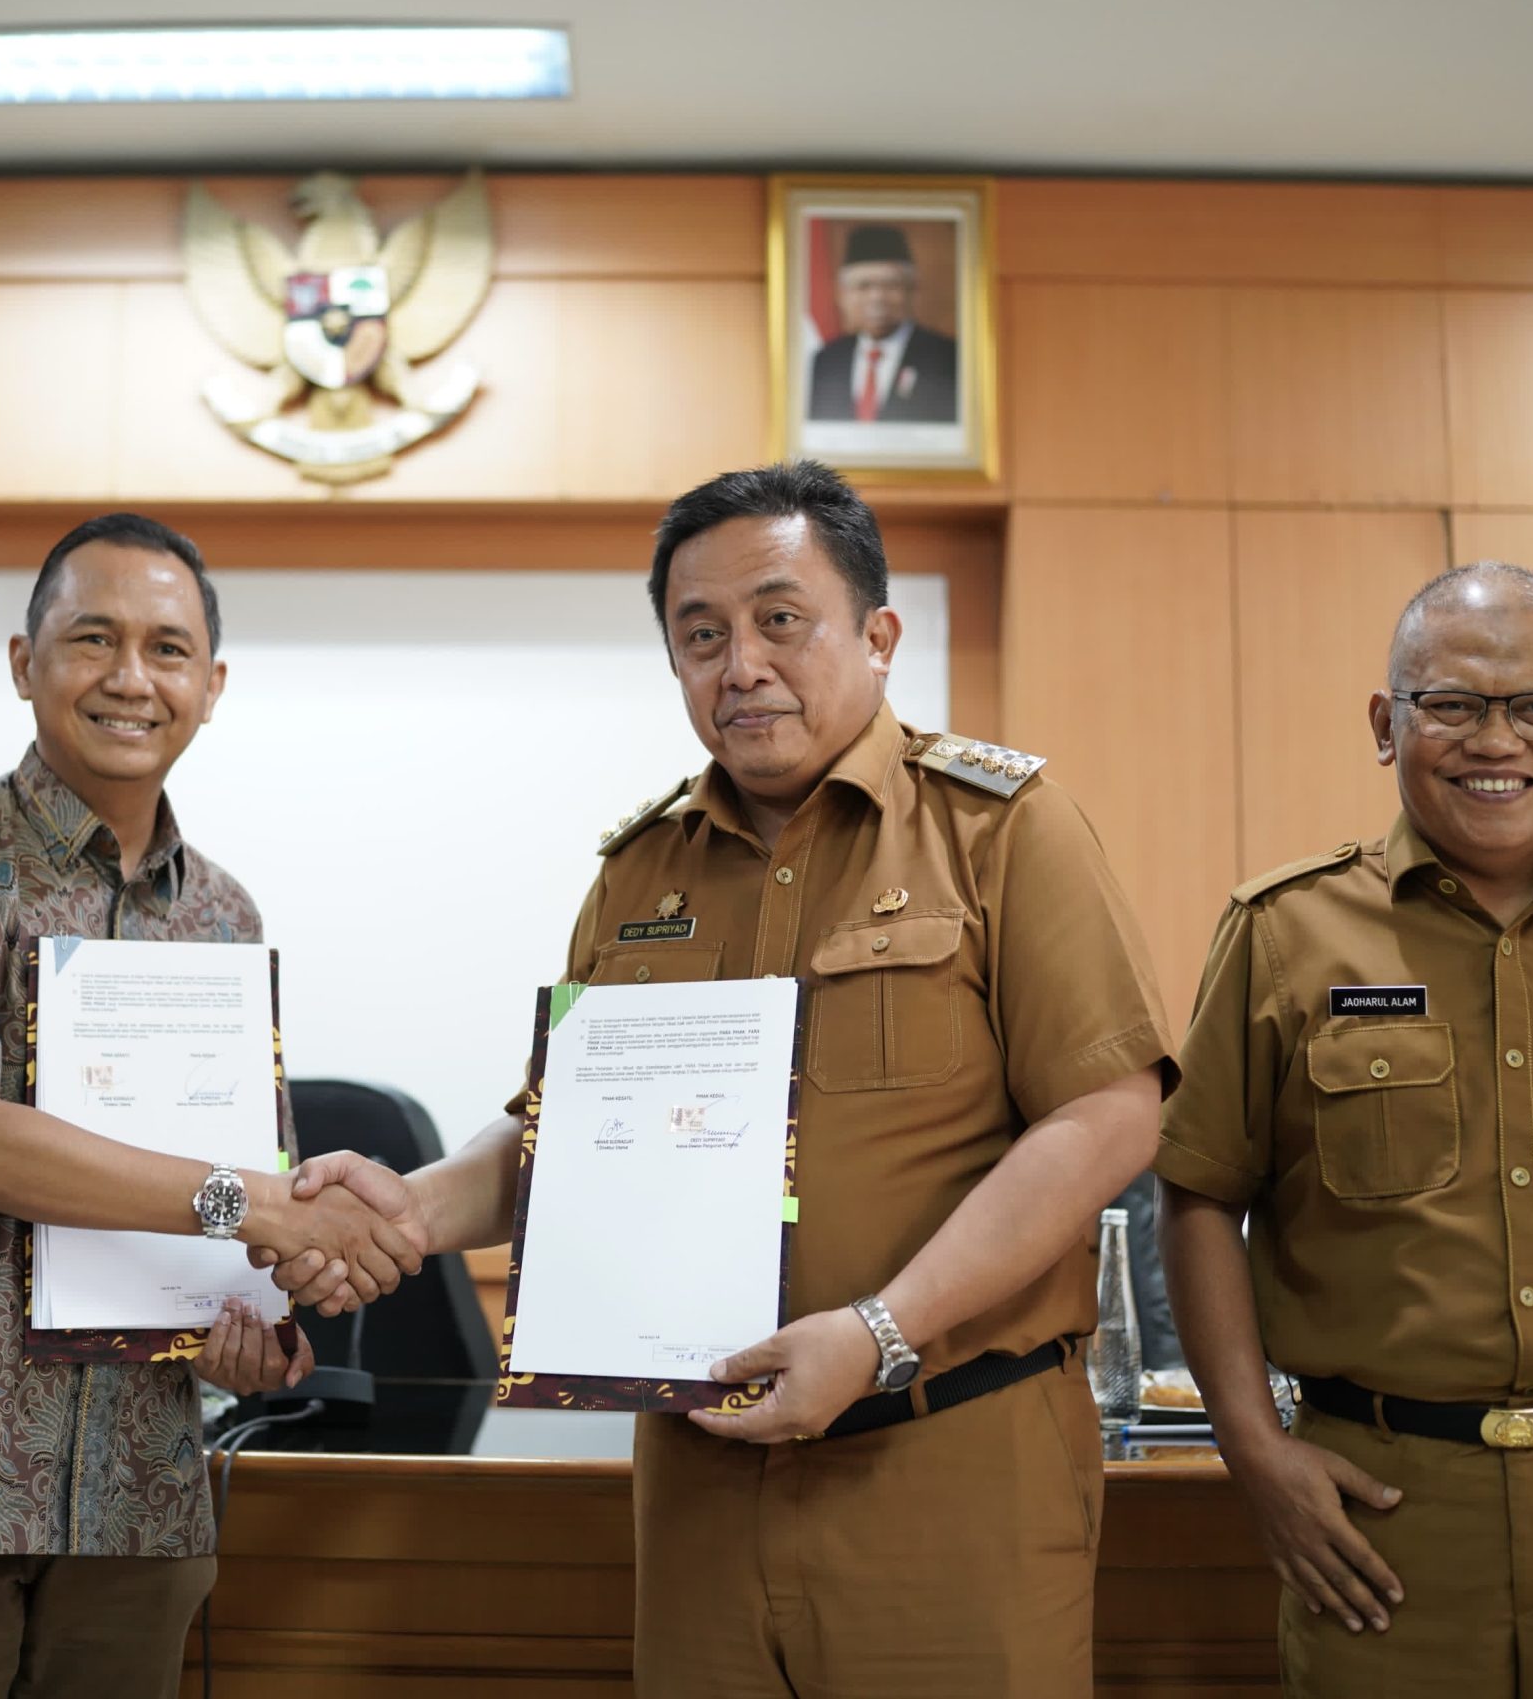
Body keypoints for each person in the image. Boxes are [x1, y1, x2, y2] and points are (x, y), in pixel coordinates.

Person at [266, 461, 1172, 1696]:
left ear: (877, 634)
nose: (739, 662)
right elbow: (564, 1133)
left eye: (778, 618)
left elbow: (1107, 1108)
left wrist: (880, 1330)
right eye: (701, 634)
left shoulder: (1003, 829)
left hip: (947, 1456)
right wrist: (412, 1210)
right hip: (700, 1472)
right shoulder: (640, 873)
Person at [0, 513, 427, 1699]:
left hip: (139, 1487)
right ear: (25, 661)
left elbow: (242, 1187)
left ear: (212, 685)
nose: (132, 678)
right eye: (94, 638)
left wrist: (260, 1327)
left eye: (169, 649)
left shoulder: (224, 912)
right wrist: (258, 1211)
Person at [1156, 561, 1533, 1699]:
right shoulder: (1284, 933)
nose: (1497, 740)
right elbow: (1200, 1192)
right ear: (1384, 724)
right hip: (1384, 1518)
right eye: (1450, 703)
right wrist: (1251, 1448)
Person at [804, 225, 957, 424]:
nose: (877, 297)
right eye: (863, 286)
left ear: (912, 291)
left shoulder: (948, 358)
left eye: (890, 285)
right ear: (843, 295)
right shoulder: (826, 361)